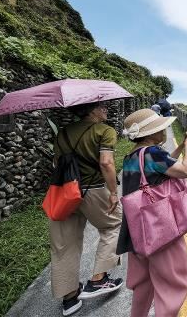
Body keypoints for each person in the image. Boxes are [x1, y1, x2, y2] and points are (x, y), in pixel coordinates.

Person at [116, 108, 187, 317]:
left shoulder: (132, 156)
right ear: (151, 133)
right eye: (160, 127)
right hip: (160, 228)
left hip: (137, 231)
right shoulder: (153, 153)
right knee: (172, 284)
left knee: (143, 285)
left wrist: (179, 145)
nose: (164, 130)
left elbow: (161, 168)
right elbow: (185, 170)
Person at [51, 101, 123, 316]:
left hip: (64, 192)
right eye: (102, 106)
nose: (106, 109)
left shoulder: (62, 133)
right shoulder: (105, 131)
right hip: (94, 189)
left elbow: (57, 163)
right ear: (92, 110)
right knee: (114, 226)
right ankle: (99, 279)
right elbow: (106, 163)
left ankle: (70, 299)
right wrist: (113, 192)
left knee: (64, 244)